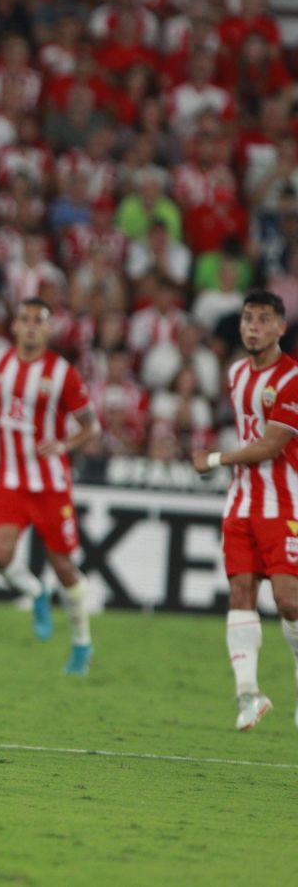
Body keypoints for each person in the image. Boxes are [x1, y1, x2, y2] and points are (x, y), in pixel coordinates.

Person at [0, 298, 101, 675]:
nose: (32, 325)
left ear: (49, 329)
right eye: (25, 319)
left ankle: (81, 645)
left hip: (51, 485)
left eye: (39, 320)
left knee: (65, 568)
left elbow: (91, 426)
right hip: (8, 481)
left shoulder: (63, 374)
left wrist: (65, 444)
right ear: (15, 326)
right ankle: (36, 592)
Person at [191, 290, 298, 731]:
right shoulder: (235, 373)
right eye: (248, 318)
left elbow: (272, 444)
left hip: (283, 501)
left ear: (280, 327)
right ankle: (248, 695)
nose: (253, 326)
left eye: (263, 319)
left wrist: (215, 459)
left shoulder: (292, 378)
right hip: (241, 501)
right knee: (240, 592)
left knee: (289, 602)